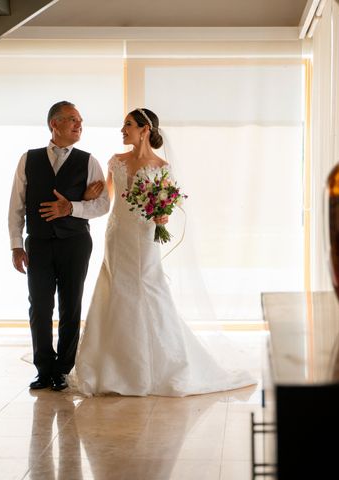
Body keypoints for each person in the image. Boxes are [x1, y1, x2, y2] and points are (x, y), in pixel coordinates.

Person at [72, 107, 255, 396]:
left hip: (144, 237)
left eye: (128, 125)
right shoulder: (115, 161)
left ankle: (153, 366)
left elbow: (167, 205)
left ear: (145, 130)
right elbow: (106, 199)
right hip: (117, 234)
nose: (123, 129)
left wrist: (162, 217)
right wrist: (87, 196)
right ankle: (111, 366)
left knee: (148, 288)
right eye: (123, 125)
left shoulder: (161, 166)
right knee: (115, 286)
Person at [8, 101, 110, 391]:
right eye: (72, 120)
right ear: (54, 124)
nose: (79, 125)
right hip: (38, 243)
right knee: (39, 306)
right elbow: (16, 205)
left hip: (75, 243)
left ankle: (62, 370)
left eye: (81, 121)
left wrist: (72, 208)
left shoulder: (88, 161)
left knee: (70, 305)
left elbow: (103, 204)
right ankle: (43, 368)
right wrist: (16, 244)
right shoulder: (28, 158)